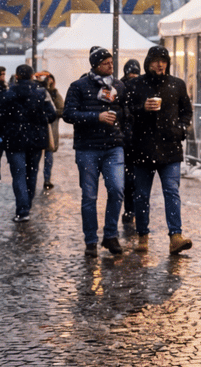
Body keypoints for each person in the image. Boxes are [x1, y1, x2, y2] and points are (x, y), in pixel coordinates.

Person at [122, 45, 195, 254]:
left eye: (163, 60)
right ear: (148, 62)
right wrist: (141, 109)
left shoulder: (177, 85)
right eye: (155, 60)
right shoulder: (135, 85)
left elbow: (186, 112)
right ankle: (143, 236)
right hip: (142, 148)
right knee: (142, 195)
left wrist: (180, 129)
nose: (160, 64)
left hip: (170, 147)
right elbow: (125, 112)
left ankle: (175, 236)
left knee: (171, 192)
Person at [63, 46, 128, 255]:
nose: (111, 66)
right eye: (106, 63)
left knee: (117, 190)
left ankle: (110, 235)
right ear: (95, 66)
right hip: (87, 148)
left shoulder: (119, 86)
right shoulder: (78, 86)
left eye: (111, 62)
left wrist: (123, 129)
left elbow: (127, 113)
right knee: (89, 196)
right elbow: (69, 114)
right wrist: (95, 117)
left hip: (113, 146)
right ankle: (90, 241)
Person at [1, 64, 55, 222]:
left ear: (16, 76)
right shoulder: (40, 92)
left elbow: (2, 117)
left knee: (18, 175)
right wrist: (38, 120)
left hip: (14, 140)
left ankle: (22, 210)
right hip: (36, 140)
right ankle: (27, 206)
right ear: (32, 76)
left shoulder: (7, 93)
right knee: (31, 174)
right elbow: (51, 115)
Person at [38, 71, 63, 190]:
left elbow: (62, 110)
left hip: (50, 129)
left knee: (48, 156)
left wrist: (51, 114)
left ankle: (46, 179)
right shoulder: (40, 93)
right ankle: (42, 179)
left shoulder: (55, 94)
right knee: (40, 156)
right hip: (42, 129)